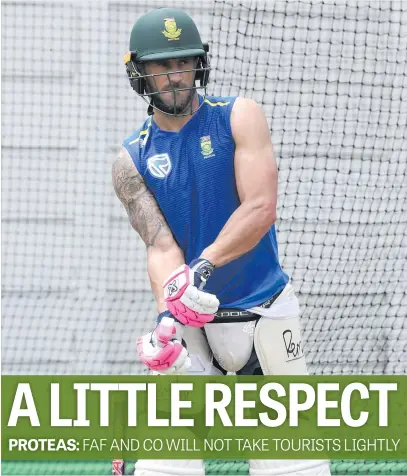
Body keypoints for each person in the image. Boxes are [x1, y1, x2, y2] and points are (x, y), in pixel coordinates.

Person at [112, 7, 331, 476]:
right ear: (139, 74)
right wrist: (167, 314)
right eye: (161, 67)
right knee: (164, 467)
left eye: (183, 63)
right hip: (194, 327)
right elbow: (159, 245)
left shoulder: (239, 115)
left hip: (263, 312)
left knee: (296, 466)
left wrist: (202, 268)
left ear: (199, 64)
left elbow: (258, 208)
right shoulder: (131, 161)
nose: (175, 77)